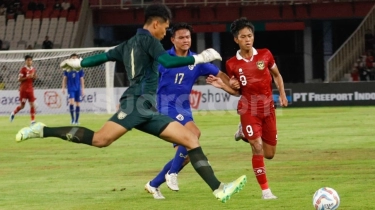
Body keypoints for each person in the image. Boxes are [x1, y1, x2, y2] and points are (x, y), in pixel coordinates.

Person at [15, 4, 246, 203]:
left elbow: (103, 57)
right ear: (156, 24)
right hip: (136, 104)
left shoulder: (127, 44)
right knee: (100, 139)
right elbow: (167, 60)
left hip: (148, 108)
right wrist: (199, 58)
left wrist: (79, 64)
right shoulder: (150, 41)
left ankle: (219, 188)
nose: (165, 32)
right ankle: (42, 130)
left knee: (190, 139)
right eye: (165, 28)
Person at [145, 22, 237, 199]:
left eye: (187, 37)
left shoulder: (198, 61)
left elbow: (220, 75)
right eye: (181, 37)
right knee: (193, 134)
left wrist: (231, 83)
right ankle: (172, 174)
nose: (185, 40)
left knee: (187, 153)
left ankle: (154, 184)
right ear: (172, 40)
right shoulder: (164, 59)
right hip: (165, 106)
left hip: (184, 108)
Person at [207, 17, 288, 200]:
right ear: (236, 39)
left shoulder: (265, 54)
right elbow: (237, 92)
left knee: (269, 154)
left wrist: (282, 94)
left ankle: (243, 133)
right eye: (243, 37)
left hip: (268, 109)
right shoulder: (232, 64)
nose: (247, 39)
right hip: (248, 109)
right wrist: (223, 86)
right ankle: (266, 192)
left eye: (250, 35)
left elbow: (277, 75)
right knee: (257, 146)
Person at [10, 55, 37, 124]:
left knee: (32, 104)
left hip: (30, 89)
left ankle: (32, 121)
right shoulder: (23, 69)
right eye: (27, 60)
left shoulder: (33, 69)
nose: (29, 61)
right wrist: (27, 77)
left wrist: (34, 77)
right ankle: (13, 113)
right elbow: (19, 79)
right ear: (25, 61)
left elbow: (33, 78)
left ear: (32, 61)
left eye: (30, 60)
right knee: (22, 106)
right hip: (23, 90)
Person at [62, 53, 84, 125]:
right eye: (73, 57)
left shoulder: (80, 68)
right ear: (70, 59)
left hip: (78, 88)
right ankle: (72, 119)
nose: (74, 58)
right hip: (71, 88)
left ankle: (77, 121)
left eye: (75, 57)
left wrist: (83, 89)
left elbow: (82, 79)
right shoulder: (67, 68)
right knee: (71, 102)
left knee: (78, 103)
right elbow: (65, 78)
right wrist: (63, 88)